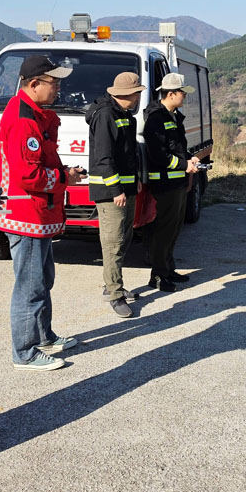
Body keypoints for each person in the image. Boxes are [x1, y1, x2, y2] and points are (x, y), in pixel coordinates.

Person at [0, 55, 83, 371]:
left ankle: (43, 336)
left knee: (42, 279)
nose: (58, 89)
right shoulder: (23, 121)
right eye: (54, 82)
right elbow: (27, 176)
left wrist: (62, 174)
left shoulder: (36, 115)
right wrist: (65, 178)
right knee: (29, 287)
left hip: (38, 215)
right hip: (24, 214)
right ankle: (25, 351)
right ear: (33, 84)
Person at [85, 71, 145, 318]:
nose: (139, 97)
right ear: (127, 95)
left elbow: (128, 154)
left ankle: (112, 284)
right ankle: (115, 294)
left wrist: (136, 181)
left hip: (126, 189)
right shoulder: (106, 115)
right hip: (112, 193)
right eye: (137, 93)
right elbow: (103, 157)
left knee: (123, 239)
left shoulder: (125, 115)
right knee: (113, 242)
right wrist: (116, 189)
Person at [143, 72, 199, 291]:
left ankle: (167, 268)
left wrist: (189, 158)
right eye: (182, 93)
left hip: (177, 183)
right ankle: (158, 275)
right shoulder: (156, 119)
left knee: (174, 229)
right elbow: (158, 155)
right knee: (164, 231)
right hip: (165, 184)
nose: (184, 97)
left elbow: (177, 147)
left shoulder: (174, 116)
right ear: (171, 93)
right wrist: (183, 165)